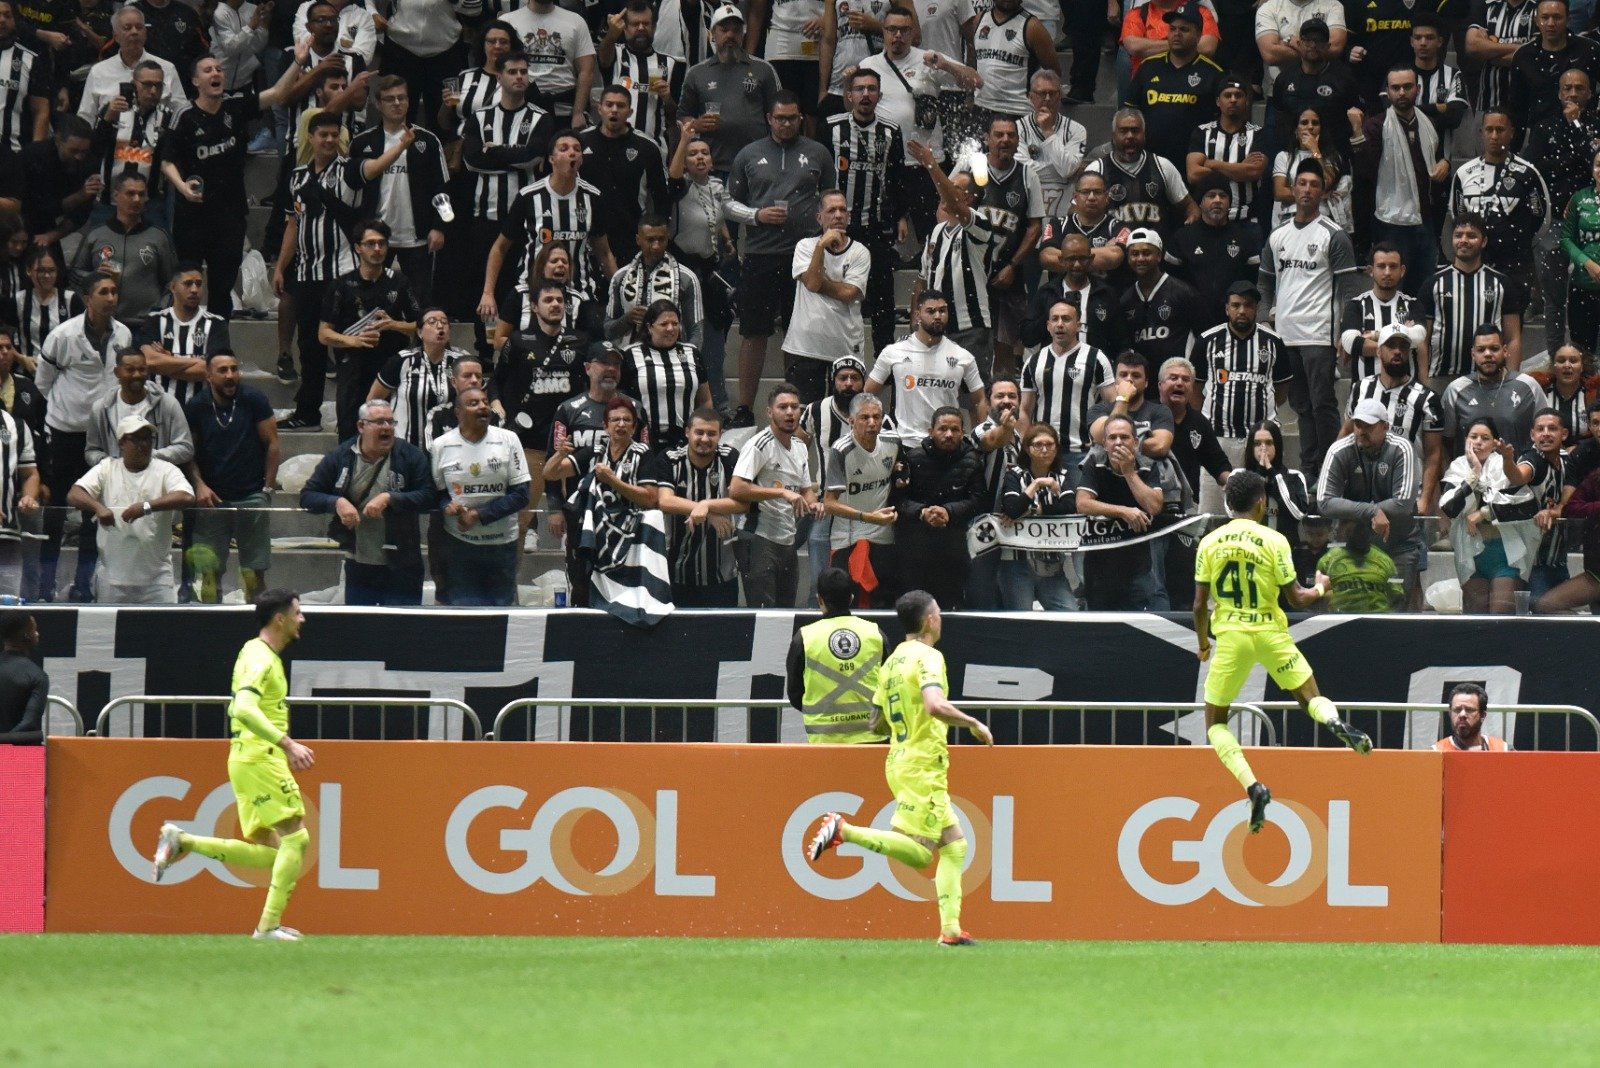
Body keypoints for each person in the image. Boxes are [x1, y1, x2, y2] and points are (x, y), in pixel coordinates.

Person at [806, 588, 994, 947]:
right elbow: (935, 705)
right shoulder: (928, 657)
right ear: (928, 620)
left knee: (954, 846)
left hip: (900, 759)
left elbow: (876, 721)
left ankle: (951, 930)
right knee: (922, 852)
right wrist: (972, 723)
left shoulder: (892, 662)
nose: (940, 617)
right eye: (938, 611)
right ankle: (845, 830)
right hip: (923, 763)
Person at [1193, 469, 1372, 835]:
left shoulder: (1210, 542)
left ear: (1228, 504)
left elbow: (1198, 605)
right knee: (1310, 699)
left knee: (1215, 724)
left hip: (1231, 638)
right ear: (1262, 504)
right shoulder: (1274, 541)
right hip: (1271, 633)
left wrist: (1202, 643)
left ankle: (1253, 786)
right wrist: (1321, 587)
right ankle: (1334, 722)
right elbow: (1298, 599)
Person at [152, 589, 316, 941]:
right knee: (297, 839)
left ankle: (183, 841)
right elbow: (242, 707)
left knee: (273, 854)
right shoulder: (261, 659)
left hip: (245, 757)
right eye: (298, 613)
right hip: (260, 757)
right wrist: (286, 744)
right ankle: (267, 927)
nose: (303, 619)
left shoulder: (254, 652)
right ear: (280, 619)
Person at [161, 52, 303, 320]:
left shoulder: (235, 106)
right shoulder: (184, 115)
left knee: (222, 287)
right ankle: (185, 342)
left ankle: (217, 346)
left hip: (230, 214)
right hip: (192, 215)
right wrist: (182, 187)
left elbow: (278, 92)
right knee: (188, 281)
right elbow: (167, 162)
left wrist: (298, 61)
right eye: (207, 70)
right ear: (194, 81)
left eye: (218, 69)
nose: (215, 73)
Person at [725, 93, 834, 425]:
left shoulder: (818, 153)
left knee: (796, 333)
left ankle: (792, 409)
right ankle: (744, 409)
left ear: (801, 118)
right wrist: (757, 216)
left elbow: (832, 199)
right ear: (768, 119)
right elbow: (728, 203)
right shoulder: (748, 154)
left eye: (792, 118)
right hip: (759, 254)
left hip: (803, 258)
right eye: (780, 118)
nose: (786, 124)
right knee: (753, 332)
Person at [1260, 157, 1361, 481]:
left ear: (1323, 191)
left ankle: (1332, 469)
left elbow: (1347, 289)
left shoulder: (1334, 235)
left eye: (1314, 185)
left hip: (1319, 333)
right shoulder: (1277, 236)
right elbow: (1264, 281)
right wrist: (1267, 318)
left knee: (1323, 403)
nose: (1307, 189)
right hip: (1285, 334)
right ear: (1292, 188)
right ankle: (1308, 468)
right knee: (1301, 405)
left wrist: (1343, 333)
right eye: (1301, 183)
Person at [37, 272, 131, 601]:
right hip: (65, 433)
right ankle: (44, 584)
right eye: (103, 292)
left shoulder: (124, 334)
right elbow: (42, 383)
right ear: (88, 299)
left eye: (114, 292)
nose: (111, 298)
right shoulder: (63, 335)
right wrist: (69, 409)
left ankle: (83, 584)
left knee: (96, 511)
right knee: (58, 509)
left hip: (103, 437)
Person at [300, 398, 437, 605]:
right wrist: (337, 503)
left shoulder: (410, 455)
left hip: (403, 563)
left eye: (391, 422)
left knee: (403, 629)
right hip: (359, 563)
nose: (387, 428)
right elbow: (308, 496)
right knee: (362, 628)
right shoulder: (341, 456)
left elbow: (429, 497)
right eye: (379, 422)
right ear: (361, 426)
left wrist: (391, 498)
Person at [185, 351, 281, 604]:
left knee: (254, 572)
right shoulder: (196, 406)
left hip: (251, 495)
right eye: (223, 370)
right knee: (209, 573)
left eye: (234, 369)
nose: (231, 375)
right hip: (212, 498)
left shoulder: (253, 399)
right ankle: (211, 627)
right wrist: (199, 485)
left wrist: (267, 490)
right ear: (208, 376)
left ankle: (255, 624)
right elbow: (188, 454)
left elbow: (272, 443)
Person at [67, 414, 193, 603]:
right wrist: (98, 507)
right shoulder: (107, 468)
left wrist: (147, 506)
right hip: (112, 577)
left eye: (147, 439)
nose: (143, 445)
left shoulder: (166, 469)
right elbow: (74, 493)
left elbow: (186, 496)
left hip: (157, 579)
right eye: (136, 439)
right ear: (121, 443)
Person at [820, 69, 903, 356]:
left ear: (879, 95)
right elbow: (819, 177)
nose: (865, 94)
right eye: (859, 89)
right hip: (838, 230)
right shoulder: (831, 126)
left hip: (874, 227)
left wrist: (900, 217)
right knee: (835, 297)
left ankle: (885, 362)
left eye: (871, 89)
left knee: (883, 304)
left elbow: (896, 178)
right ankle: (835, 357)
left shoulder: (891, 131)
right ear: (849, 95)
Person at [348, 77, 449, 306]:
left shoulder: (428, 141)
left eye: (401, 98)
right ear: (377, 103)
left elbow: (442, 190)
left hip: (418, 238)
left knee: (422, 303)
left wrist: (439, 226)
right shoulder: (362, 143)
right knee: (371, 299)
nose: (396, 103)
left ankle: (419, 342)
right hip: (376, 237)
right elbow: (352, 191)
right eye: (389, 99)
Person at [1351, 68, 1450, 295]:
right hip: (1391, 221)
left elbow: (1437, 160)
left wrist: (1445, 163)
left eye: (1407, 87)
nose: (1402, 92)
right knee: (1391, 290)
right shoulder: (1377, 125)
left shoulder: (1428, 123)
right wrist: (1357, 132)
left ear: (1418, 89)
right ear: (1387, 92)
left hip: (1424, 218)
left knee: (1424, 291)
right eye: (1396, 88)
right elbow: (1366, 171)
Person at [1194, 281, 1290, 515]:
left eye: (1247, 305)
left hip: (1259, 441)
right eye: (1236, 305)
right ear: (1227, 308)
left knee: (1257, 510)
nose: (1242, 311)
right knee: (1212, 512)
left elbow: (1282, 389)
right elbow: (1195, 391)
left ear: (1257, 308)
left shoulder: (1273, 342)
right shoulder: (1207, 340)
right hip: (1217, 439)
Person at [320, 219, 421, 441]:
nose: (377, 249)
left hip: (391, 370)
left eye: (382, 243)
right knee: (350, 434)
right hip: (353, 370)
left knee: (390, 434)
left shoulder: (400, 282)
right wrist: (353, 341)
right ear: (357, 247)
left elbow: (420, 326)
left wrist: (393, 324)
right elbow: (324, 333)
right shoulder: (341, 285)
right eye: (370, 243)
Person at [431, 386, 531, 606]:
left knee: (500, 615)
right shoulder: (441, 445)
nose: (483, 407)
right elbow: (437, 494)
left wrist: (478, 514)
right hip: (460, 546)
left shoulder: (509, 439)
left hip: (502, 545)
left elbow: (521, 495)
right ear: (458, 412)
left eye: (485, 401)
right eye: (474, 403)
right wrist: (447, 505)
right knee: (464, 616)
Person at [1319, 398, 1424, 605]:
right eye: (1358, 424)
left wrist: (1361, 512)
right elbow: (1324, 502)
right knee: (1353, 607)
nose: (1361, 431)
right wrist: (1371, 512)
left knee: (1397, 612)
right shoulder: (1339, 450)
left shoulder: (1402, 448)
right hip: (1353, 547)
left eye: (1369, 426)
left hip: (1398, 545)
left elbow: (1402, 503)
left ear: (1385, 427)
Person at [641, 406, 746, 607]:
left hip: (721, 572)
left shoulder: (730, 457)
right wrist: (709, 513)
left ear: (720, 435)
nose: (705, 439)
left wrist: (706, 505)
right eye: (699, 432)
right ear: (687, 432)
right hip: (675, 569)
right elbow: (665, 501)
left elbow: (743, 503)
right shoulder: (670, 458)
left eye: (712, 434)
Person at [731, 383, 822, 607]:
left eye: (794, 407)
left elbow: (805, 489)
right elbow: (737, 488)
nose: (790, 412)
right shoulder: (758, 445)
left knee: (786, 610)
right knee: (764, 613)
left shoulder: (800, 446)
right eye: (783, 407)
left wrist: (814, 504)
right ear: (770, 412)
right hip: (758, 537)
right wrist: (781, 492)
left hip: (787, 538)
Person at [1345, 323, 1445, 515]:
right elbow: (1347, 435)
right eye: (1391, 346)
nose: (1398, 351)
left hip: (1407, 495)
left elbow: (1433, 455)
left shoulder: (1427, 398)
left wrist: (1424, 501)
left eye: (1403, 346)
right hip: (1362, 497)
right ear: (1379, 352)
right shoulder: (1361, 388)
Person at [890, 406, 985, 609]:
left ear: (963, 433)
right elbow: (898, 501)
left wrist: (948, 511)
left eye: (955, 429)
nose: (949, 434)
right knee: (913, 610)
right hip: (915, 550)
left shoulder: (973, 460)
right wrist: (922, 512)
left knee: (951, 611)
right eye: (942, 429)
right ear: (930, 431)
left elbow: (977, 500)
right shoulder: (912, 458)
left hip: (954, 551)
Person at [867, 288, 987, 445]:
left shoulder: (963, 357)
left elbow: (980, 400)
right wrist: (882, 426)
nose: (937, 316)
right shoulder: (893, 352)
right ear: (917, 315)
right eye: (930, 311)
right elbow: (867, 394)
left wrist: (982, 438)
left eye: (942, 311)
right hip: (906, 443)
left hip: (947, 444)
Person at [1076, 412, 1168, 609]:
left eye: (1124, 437)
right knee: (1101, 626)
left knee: (1137, 624)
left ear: (1135, 442)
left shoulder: (1147, 465)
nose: (1118, 442)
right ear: (1104, 442)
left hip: (1137, 561)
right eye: (1112, 437)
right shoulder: (1094, 461)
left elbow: (1154, 506)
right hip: (1100, 561)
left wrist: (1128, 472)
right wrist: (1124, 511)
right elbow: (1083, 503)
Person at [786, 566, 889, 742]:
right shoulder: (875, 633)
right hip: (873, 741)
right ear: (851, 599)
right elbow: (889, 683)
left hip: (824, 741)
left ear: (819, 600)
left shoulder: (804, 637)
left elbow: (795, 693)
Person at [784, 191, 870, 401]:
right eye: (831, 210)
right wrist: (821, 246)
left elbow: (849, 293)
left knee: (845, 415)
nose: (838, 215)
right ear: (819, 217)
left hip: (844, 348)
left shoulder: (860, 252)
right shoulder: (805, 246)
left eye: (843, 210)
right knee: (802, 417)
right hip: (804, 347)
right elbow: (813, 283)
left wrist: (822, 283)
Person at [1020, 298, 1114, 487]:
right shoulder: (1034, 361)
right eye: (1055, 319)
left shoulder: (1096, 358)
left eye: (1066, 319)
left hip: (1081, 451)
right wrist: (1026, 445)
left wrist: (1101, 440)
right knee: (1045, 508)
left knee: (1080, 510)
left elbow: (1112, 405)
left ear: (1078, 325)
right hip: (1043, 453)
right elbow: (1025, 410)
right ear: (1048, 325)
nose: (1060, 324)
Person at [1424, 213, 1528, 382]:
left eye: (1471, 236)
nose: (1463, 240)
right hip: (1441, 376)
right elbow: (1423, 340)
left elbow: (1513, 338)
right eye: (1458, 235)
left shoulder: (1502, 283)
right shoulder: (1433, 283)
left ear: (1484, 241)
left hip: (1489, 379)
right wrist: (1423, 380)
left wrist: (1511, 382)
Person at [679, 4, 781, 173]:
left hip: (757, 164)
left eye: (736, 30)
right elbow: (682, 116)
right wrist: (695, 124)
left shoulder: (763, 69)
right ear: (712, 34)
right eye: (724, 30)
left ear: (743, 34)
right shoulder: (697, 73)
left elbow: (779, 113)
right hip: (711, 166)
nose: (730, 35)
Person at [1451, 111, 1549, 285]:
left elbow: (1540, 217)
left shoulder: (1528, 173)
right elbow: (1458, 216)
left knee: (1513, 311)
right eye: (1489, 130)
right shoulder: (1463, 173)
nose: (1494, 136)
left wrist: (1518, 242)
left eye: (1500, 130)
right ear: (1481, 133)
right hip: (1474, 262)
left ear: (1511, 132)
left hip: (1515, 264)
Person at [70, 172, 176, 332]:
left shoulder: (158, 236)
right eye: (130, 193)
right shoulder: (96, 234)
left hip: (144, 327)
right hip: (102, 325)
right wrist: (93, 277)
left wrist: (157, 313)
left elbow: (173, 283)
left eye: (141, 194)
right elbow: (74, 273)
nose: (136, 199)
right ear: (115, 195)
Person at [579, 84, 670, 267]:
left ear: (630, 111)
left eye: (620, 106)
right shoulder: (580, 142)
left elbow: (661, 197)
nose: (614, 110)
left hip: (630, 237)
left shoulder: (647, 147)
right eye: (609, 105)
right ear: (599, 108)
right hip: (587, 237)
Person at [1126, 4, 1224, 173]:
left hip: (1195, 164)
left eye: (1184, 29)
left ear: (1199, 35)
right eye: (1172, 29)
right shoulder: (1148, 67)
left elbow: (1223, 122)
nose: (1176, 34)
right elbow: (1129, 113)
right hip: (1151, 161)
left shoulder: (1213, 73)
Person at [822, 391, 899, 605]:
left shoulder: (893, 442)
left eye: (877, 417)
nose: (872, 423)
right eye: (865, 418)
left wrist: (902, 475)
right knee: (847, 602)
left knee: (882, 602)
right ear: (852, 421)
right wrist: (867, 517)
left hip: (883, 536)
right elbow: (829, 504)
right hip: (848, 537)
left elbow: (901, 469)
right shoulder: (841, 450)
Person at [87, 59, 175, 233]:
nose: (153, 91)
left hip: (150, 204)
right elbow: (94, 150)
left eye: (158, 86)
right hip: (109, 202)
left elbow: (169, 160)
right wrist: (107, 119)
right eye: (147, 85)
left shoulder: (167, 118)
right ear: (134, 85)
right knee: (103, 255)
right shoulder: (112, 111)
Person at [1165, 179, 1264, 333]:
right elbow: (1169, 282)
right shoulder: (1182, 238)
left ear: (1229, 202)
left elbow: (1254, 281)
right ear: (1200, 202)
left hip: (1234, 325)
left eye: (1223, 196)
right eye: (1211, 196)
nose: (1217, 200)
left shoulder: (1245, 238)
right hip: (1190, 325)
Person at [1081, 109, 1196, 237]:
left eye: (1135, 130)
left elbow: (1189, 206)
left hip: (1154, 250)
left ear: (1144, 134)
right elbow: (1076, 212)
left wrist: (1192, 227)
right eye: (1123, 131)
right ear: (1113, 136)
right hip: (1112, 250)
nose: (1130, 136)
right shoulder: (1097, 169)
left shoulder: (1163, 166)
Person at [998, 423, 1075, 611]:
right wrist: (1038, 484)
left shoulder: (1064, 477)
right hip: (1017, 564)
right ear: (1027, 448)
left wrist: (1034, 511)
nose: (1044, 449)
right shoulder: (1014, 476)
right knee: (1020, 620)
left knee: (1070, 613)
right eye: (1038, 445)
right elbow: (1012, 510)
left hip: (1052, 564)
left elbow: (1070, 508)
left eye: (1050, 445)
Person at [1440, 324, 1549, 457]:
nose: (1488, 354)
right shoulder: (1456, 390)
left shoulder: (1528, 386)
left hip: (1518, 474)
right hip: (1470, 475)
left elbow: (1546, 433)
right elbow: (1445, 442)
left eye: (1494, 349)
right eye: (1481, 350)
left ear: (1505, 351)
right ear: (1473, 354)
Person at [369, 308, 470, 450]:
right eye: (432, 322)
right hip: (406, 447)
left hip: (451, 449)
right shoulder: (402, 360)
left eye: (444, 322)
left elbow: (474, 396)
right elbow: (373, 400)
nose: (440, 326)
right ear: (419, 332)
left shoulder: (461, 361)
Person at [1118, 228, 1206, 387]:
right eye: (1135, 254)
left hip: (1178, 384)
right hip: (1143, 386)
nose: (1140, 258)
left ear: (1159, 256)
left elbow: (1204, 337)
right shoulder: (1125, 300)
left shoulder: (1183, 293)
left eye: (1146, 253)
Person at [620, 299, 711, 450]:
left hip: (684, 440)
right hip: (641, 440)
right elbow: (620, 398)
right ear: (649, 327)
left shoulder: (692, 352)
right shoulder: (630, 354)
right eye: (664, 324)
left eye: (675, 324)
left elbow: (705, 400)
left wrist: (701, 431)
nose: (671, 329)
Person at [605, 215, 704, 351]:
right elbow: (607, 331)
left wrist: (687, 362)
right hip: (630, 358)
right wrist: (627, 319)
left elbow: (696, 332)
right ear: (638, 240)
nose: (656, 246)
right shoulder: (620, 277)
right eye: (650, 240)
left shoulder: (687, 278)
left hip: (673, 358)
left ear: (667, 240)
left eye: (661, 239)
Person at [597, 0, 684, 153]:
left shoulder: (670, 64)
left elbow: (675, 115)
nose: (641, 28)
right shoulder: (616, 53)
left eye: (646, 23)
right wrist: (611, 35)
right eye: (635, 24)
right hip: (613, 147)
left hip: (654, 149)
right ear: (625, 28)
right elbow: (603, 59)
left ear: (655, 26)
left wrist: (668, 98)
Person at [84, 347, 193, 468]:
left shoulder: (168, 403)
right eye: (130, 370)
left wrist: (147, 456)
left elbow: (186, 448)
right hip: (115, 479)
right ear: (117, 372)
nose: (137, 375)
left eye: (142, 369)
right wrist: (111, 463)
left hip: (157, 477)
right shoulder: (101, 408)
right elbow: (91, 451)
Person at [141, 264, 230, 406]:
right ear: (173, 287)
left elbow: (212, 370)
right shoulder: (155, 320)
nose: (194, 289)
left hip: (200, 409)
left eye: (199, 284)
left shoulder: (216, 324)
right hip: (159, 407)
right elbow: (149, 362)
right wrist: (196, 362)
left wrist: (166, 361)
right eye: (188, 284)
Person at [1508, 0, 1600, 134]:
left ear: (1568, 20)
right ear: (1536, 20)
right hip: (1540, 138)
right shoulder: (1524, 57)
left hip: (1584, 133)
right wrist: (1512, 153)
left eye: (1557, 17)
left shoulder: (1589, 50)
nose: (1551, 23)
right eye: (1545, 18)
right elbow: (1517, 111)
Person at [503, 0, 597, 126]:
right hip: (521, 103)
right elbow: (496, 67)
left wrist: (578, 113)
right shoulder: (508, 22)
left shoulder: (576, 21)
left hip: (564, 107)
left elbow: (586, 70)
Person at [1339, 242, 1424, 381]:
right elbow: (1351, 343)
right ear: (1370, 270)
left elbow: (1418, 336)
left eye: (1393, 266)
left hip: (1406, 393)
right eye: (1381, 266)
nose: (1387, 272)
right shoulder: (1355, 305)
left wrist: (1374, 335)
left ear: (1402, 271)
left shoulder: (1413, 304)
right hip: (1364, 394)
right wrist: (1401, 343)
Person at [1185, 80, 1264, 225]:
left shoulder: (1258, 133)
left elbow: (1253, 172)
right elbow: (1193, 174)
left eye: (1238, 95)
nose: (1233, 100)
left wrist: (1211, 163)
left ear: (1246, 101)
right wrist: (1240, 168)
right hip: (1207, 221)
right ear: (1218, 101)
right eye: (1227, 95)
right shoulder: (1203, 132)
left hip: (1245, 220)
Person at [1269, 107, 1354, 233]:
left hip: (1322, 221)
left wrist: (1315, 151)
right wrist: (1317, 194)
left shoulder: (1332, 157)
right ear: (1296, 130)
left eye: (1315, 123)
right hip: (1289, 219)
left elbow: (1325, 184)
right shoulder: (1284, 157)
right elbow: (1279, 192)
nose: (1310, 127)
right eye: (1304, 123)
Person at [972, 0, 1058, 122]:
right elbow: (972, 64)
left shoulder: (1032, 26)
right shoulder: (979, 20)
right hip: (981, 107)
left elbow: (1054, 73)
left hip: (1018, 110)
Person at [1241, 419, 1314, 549]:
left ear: (1278, 446)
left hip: (1285, 553)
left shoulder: (1295, 477)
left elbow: (1298, 513)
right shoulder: (1239, 477)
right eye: (1257, 444)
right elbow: (1236, 512)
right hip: (1250, 553)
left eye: (1269, 443)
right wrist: (1259, 474)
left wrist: (1274, 475)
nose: (1263, 449)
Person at [0, 363, 40, 598]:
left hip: (7, 534)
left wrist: (29, 495)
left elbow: (30, 473)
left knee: (9, 612)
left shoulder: (16, 425)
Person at [1561, 147, 1600, 354]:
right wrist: (1587, 262)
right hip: (1582, 285)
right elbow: (1566, 238)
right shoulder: (1579, 198)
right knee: (1582, 352)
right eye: (1598, 164)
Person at [1318, 520, 1403, 612]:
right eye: (1353, 530)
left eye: (1363, 529)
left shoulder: (1385, 560)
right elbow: (1319, 598)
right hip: (1341, 620)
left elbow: (1396, 597)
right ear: (1345, 533)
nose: (1360, 534)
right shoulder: (1328, 560)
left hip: (1377, 619)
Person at [0, 612, 46, 746]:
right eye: (34, 630)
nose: (37, 634)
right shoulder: (36, 675)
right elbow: (29, 723)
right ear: (26, 636)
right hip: (22, 757)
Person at [1433, 682, 1511, 750]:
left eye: (1469, 710)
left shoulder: (1503, 750)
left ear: (1483, 715)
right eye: (1457, 710)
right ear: (1450, 714)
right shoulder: (1435, 753)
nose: (1462, 714)